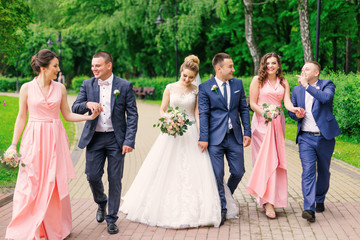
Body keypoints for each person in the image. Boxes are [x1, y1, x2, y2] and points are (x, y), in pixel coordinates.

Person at [120, 55, 239, 228]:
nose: (187, 79)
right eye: (185, 76)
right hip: (171, 133)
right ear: (181, 71)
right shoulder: (170, 88)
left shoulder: (197, 90)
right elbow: (162, 109)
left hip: (190, 131)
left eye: (191, 77)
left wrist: (201, 134)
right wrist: (168, 119)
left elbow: (198, 113)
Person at [5, 49, 101, 240]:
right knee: (30, 182)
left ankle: (52, 228)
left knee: (54, 184)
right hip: (33, 140)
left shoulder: (60, 88)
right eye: (55, 66)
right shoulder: (26, 88)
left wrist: (88, 117)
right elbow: (21, 117)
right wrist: (13, 145)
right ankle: (27, 226)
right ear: (43, 68)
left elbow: (66, 114)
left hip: (55, 140)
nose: (58, 69)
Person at [72, 51, 138, 234]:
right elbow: (75, 107)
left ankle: (112, 218)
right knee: (92, 176)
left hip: (117, 140)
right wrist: (87, 104)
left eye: (98, 65)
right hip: (95, 138)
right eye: (93, 66)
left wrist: (129, 140)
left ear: (109, 65)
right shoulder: (87, 84)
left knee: (115, 179)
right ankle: (102, 202)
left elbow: (132, 115)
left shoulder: (124, 86)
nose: (94, 69)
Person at [246, 52, 301, 219]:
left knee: (276, 161)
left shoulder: (283, 82)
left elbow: (286, 102)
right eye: (268, 63)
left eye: (274, 63)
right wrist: (265, 113)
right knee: (263, 161)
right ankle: (266, 201)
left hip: (278, 123)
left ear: (278, 65)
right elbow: (253, 103)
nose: (271, 66)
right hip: (261, 124)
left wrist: (294, 109)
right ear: (264, 64)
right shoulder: (257, 80)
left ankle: (272, 199)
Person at [198, 53, 251, 225]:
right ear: (219, 68)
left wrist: (247, 132)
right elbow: (204, 114)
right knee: (217, 174)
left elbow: (243, 108)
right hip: (215, 138)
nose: (233, 70)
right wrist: (203, 137)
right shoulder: (205, 87)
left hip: (234, 136)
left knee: (238, 171)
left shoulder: (237, 83)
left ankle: (227, 196)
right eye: (230, 66)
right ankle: (221, 208)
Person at [289, 61, 341, 222]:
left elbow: (325, 98)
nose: (303, 70)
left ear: (316, 73)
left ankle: (319, 198)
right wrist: (296, 113)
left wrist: (307, 86)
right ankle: (309, 209)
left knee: (324, 171)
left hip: (325, 137)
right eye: (302, 68)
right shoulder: (296, 90)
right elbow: (292, 111)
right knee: (308, 171)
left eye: (307, 69)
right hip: (305, 137)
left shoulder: (327, 85)